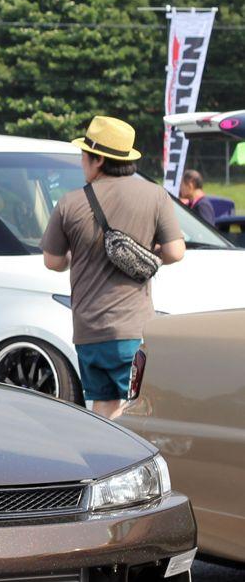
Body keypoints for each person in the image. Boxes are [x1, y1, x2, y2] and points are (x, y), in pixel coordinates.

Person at [41, 116, 186, 420]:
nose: (82, 162)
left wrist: (76, 257)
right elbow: (175, 251)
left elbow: (53, 261)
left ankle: (101, 450)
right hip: (133, 328)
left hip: (88, 330)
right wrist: (145, 255)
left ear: (98, 159)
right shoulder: (155, 195)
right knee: (134, 408)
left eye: (84, 155)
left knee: (102, 406)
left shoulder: (70, 203)